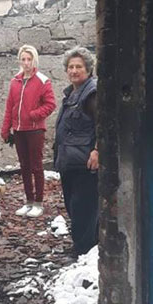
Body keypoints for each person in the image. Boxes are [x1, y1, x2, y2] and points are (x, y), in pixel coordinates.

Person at [1, 44, 56, 217]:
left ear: (34, 60)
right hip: (19, 130)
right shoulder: (15, 82)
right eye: (23, 59)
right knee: (24, 166)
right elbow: (10, 107)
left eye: (29, 59)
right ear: (19, 60)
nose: (26, 63)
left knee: (36, 166)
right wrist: (6, 128)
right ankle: (29, 201)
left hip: (35, 130)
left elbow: (50, 104)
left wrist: (34, 115)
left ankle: (39, 203)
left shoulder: (42, 80)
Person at [54, 46, 99, 257]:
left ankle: (84, 251)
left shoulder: (91, 93)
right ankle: (84, 248)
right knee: (74, 207)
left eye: (79, 67)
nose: (74, 71)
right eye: (70, 67)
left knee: (84, 209)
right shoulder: (72, 94)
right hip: (70, 161)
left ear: (88, 69)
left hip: (84, 163)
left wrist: (97, 150)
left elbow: (104, 124)